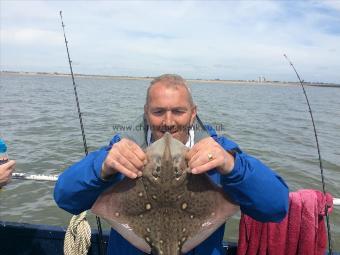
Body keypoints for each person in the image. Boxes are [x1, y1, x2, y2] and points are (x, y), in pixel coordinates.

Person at [54, 74, 289, 255]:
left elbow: (276, 207)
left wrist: (233, 166)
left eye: (178, 111)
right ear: (146, 113)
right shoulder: (122, 152)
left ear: (193, 113)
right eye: (158, 112)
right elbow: (65, 197)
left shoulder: (219, 152)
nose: (168, 122)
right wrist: (101, 167)